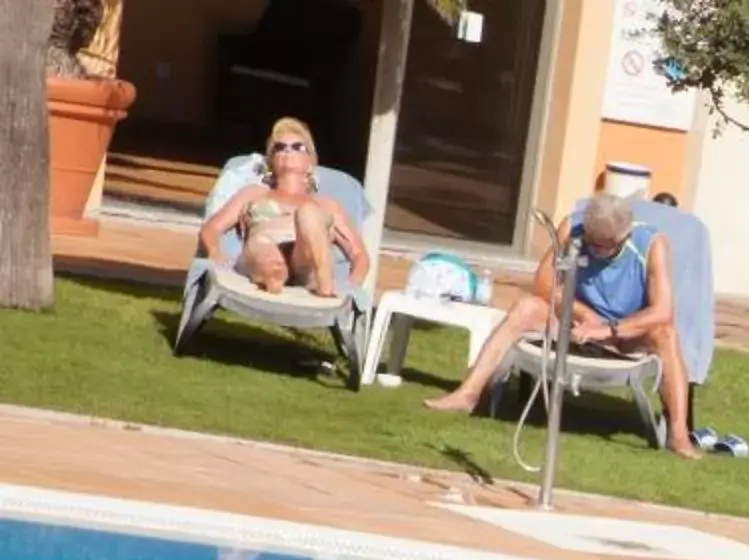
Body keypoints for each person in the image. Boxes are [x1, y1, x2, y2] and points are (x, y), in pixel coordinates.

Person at [426, 192, 698, 458]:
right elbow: (543, 283)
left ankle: (678, 435)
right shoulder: (573, 228)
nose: (594, 251)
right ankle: (468, 394)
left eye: (603, 247)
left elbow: (663, 311)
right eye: (591, 243)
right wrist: (581, 313)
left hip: (624, 332)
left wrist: (608, 329)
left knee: (666, 334)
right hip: (575, 321)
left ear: (623, 237)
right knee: (526, 307)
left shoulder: (651, 244)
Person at [199, 119, 365, 300]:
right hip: (264, 245)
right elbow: (212, 227)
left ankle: (323, 282)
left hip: (307, 255)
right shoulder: (254, 194)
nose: (288, 150)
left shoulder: (327, 205)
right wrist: (215, 252)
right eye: (279, 147)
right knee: (262, 246)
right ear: (271, 162)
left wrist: (351, 286)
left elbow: (359, 253)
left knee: (308, 213)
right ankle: (273, 277)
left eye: (297, 147)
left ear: (310, 162)